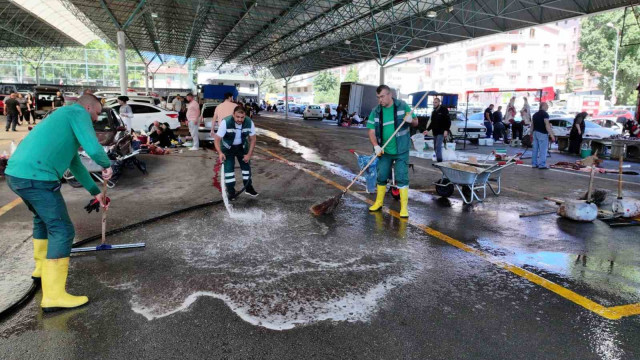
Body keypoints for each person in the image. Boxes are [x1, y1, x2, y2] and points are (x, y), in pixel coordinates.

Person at [5, 94, 112, 312]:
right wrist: (106, 164)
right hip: (37, 177)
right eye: (97, 113)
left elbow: (75, 164)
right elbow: (93, 147)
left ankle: (40, 268)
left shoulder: (62, 118)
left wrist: (95, 192)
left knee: (42, 220)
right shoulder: (77, 112)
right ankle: (53, 296)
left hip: (16, 175)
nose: (95, 118)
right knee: (62, 230)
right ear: (88, 107)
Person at [367, 85, 418, 218]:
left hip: (401, 149)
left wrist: (410, 120)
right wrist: (376, 146)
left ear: (390, 95)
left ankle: (404, 208)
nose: (380, 100)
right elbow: (371, 131)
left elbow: (416, 122)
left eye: (382, 97)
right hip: (384, 150)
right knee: (382, 175)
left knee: (402, 177)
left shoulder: (402, 106)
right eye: (378, 97)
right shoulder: (376, 111)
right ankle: (378, 203)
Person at [214, 106, 258, 198]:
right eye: (237, 117)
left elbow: (253, 139)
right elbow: (217, 139)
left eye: (242, 117)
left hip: (242, 148)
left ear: (245, 115)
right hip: (227, 149)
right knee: (229, 170)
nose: (240, 119)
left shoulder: (249, 122)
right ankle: (231, 191)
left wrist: (249, 155)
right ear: (233, 115)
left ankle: (248, 188)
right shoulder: (226, 122)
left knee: (246, 169)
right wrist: (220, 153)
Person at [425, 97, 451, 162]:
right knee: (435, 147)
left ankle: (439, 161)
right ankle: (437, 160)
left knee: (438, 146)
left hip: (441, 132)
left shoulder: (444, 110)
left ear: (439, 103)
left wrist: (446, 130)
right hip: (435, 132)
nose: (434, 104)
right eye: (433, 102)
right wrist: (427, 130)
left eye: (436, 102)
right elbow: (432, 123)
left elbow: (448, 121)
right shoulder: (433, 112)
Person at [531, 102, 556, 169]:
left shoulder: (535, 115)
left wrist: (530, 134)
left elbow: (532, 125)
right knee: (543, 150)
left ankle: (534, 163)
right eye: (547, 105)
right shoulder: (545, 114)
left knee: (535, 149)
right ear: (543, 106)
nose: (547, 107)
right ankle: (542, 164)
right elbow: (547, 125)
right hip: (542, 133)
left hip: (535, 133)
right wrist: (552, 135)